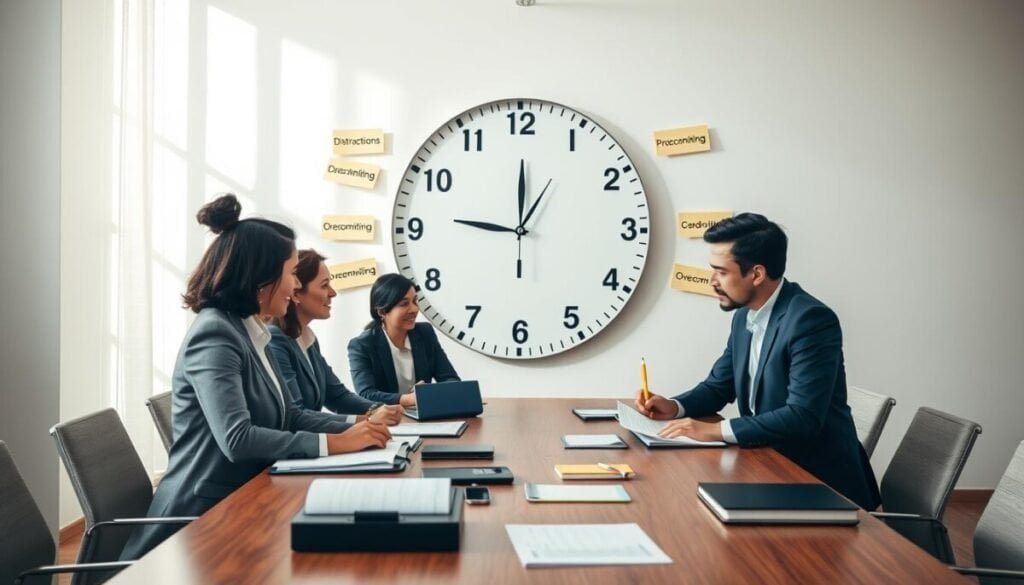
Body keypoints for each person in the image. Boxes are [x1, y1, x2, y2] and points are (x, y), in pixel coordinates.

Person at [121, 195, 391, 560]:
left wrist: (356, 430)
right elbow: (237, 438)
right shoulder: (215, 334)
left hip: (242, 499)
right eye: (292, 272)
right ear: (262, 277)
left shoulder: (251, 330)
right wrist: (336, 444)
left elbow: (290, 415)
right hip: (198, 523)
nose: (296, 286)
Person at [636, 213, 881, 510]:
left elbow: (802, 416)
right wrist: (674, 407)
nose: (711, 281)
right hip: (766, 467)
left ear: (757, 274)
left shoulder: (810, 320)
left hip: (819, 486)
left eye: (721, 272)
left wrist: (714, 431)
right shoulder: (745, 316)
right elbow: (718, 387)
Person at [269, 249, 402, 424]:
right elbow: (296, 415)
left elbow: (337, 395)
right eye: (324, 285)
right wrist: (366, 419)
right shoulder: (275, 341)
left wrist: (378, 409)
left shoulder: (307, 339)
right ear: (296, 293)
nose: (333, 293)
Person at [348, 273, 460, 406]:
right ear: (382, 312)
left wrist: (430, 392)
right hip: (387, 419)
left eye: (415, 301)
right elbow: (366, 394)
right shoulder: (362, 345)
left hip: (425, 416)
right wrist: (408, 399)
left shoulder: (425, 333)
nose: (414, 309)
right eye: (404, 304)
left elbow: (451, 379)